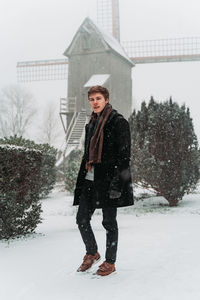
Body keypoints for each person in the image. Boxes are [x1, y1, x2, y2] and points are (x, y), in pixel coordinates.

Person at [73, 85, 134, 276]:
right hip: (90, 179)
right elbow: (87, 154)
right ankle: (92, 252)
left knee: (109, 222)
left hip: (109, 181)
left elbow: (124, 157)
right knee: (81, 219)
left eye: (98, 98)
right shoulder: (91, 124)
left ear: (106, 100)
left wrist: (118, 184)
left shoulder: (118, 123)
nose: (95, 102)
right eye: (92, 99)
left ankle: (110, 262)